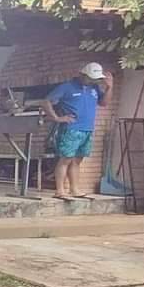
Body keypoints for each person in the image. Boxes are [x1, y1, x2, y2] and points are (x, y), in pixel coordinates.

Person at [44, 62, 112, 198]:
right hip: (71, 129)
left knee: (77, 160)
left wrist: (110, 87)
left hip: (87, 129)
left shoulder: (95, 88)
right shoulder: (67, 87)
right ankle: (60, 190)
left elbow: (104, 103)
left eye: (96, 78)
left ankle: (75, 189)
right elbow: (46, 102)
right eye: (91, 78)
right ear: (82, 74)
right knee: (65, 159)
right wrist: (57, 118)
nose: (93, 80)